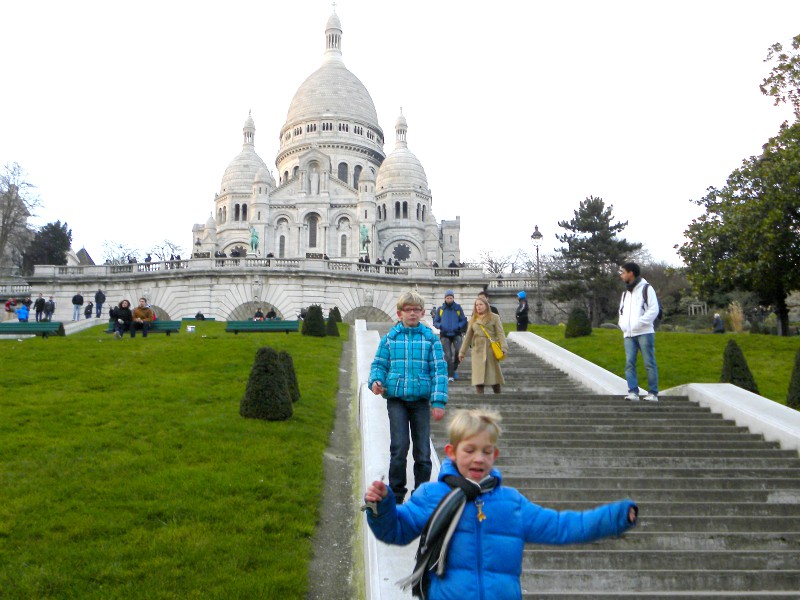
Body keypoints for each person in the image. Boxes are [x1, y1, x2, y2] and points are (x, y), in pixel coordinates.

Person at [364, 409, 638, 600]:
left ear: (494, 454)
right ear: (452, 452)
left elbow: (563, 526)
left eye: (486, 451)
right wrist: (383, 506)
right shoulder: (431, 495)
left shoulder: (511, 503)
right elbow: (395, 530)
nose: (478, 459)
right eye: (469, 450)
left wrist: (615, 517)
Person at [368, 290, 448, 505]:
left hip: (421, 401)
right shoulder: (389, 340)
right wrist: (375, 381)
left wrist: (438, 401)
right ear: (399, 313)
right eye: (408, 310)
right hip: (396, 400)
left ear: (422, 313)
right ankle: (396, 494)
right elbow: (379, 365)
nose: (412, 314)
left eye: (416, 310)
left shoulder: (431, 339)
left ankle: (421, 495)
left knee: (422, 452)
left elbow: (439, 371)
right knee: (399, 447)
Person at [618, 262, 660, 402]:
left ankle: (653, 393)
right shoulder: (625, 294)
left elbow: (654, 309)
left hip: (644, 332)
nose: (621, 275)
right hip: (628, 334)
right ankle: (633, 392)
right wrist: (623, 325)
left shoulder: (647, 289)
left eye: (623, 272)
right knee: (629, 363)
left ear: (631, 273)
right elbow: (621, 312)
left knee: (649, 363)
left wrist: (639, 323)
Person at [460, 296, 508, 394]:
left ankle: (498, 396)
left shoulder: (495, 317)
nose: (478, 307)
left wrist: (504, 347)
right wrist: (462, 352)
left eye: (481, 304)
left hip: (491, 349)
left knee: (494, 377)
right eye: (476, 305)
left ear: (486, 305)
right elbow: (468, 336)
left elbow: (501, 333)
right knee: (478, 378)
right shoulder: (473, 319)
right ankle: (480, 399)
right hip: (477, 350)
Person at [432, 290, 467, 383]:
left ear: (453, 298)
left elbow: (463, 320)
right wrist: (440, 326)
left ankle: (453, 368)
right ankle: (450, 375)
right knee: (448, 355)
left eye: (451, 298)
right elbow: (435, 322)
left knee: (459, 351)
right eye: (447, 298)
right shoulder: (440, 309)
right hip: (445, 334)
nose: (449, 299)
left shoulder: (458, 308)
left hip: (456, 333)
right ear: (445, 299)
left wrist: (459, 326)